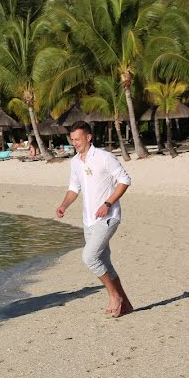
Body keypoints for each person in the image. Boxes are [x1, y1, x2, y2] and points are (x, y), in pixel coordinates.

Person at [56, 121, 133, 318]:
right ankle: (126, 304)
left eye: (78, 139)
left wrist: (107, 203)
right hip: (88, 221)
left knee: (89, 257)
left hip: (108, 217)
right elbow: (74, 188)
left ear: (88, 137)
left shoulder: (104, 157)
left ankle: (114, 296)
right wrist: (64, 205)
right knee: (104, 261)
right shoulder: (74, 162)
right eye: (72, 140)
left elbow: (125, 180)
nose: (75, 143)